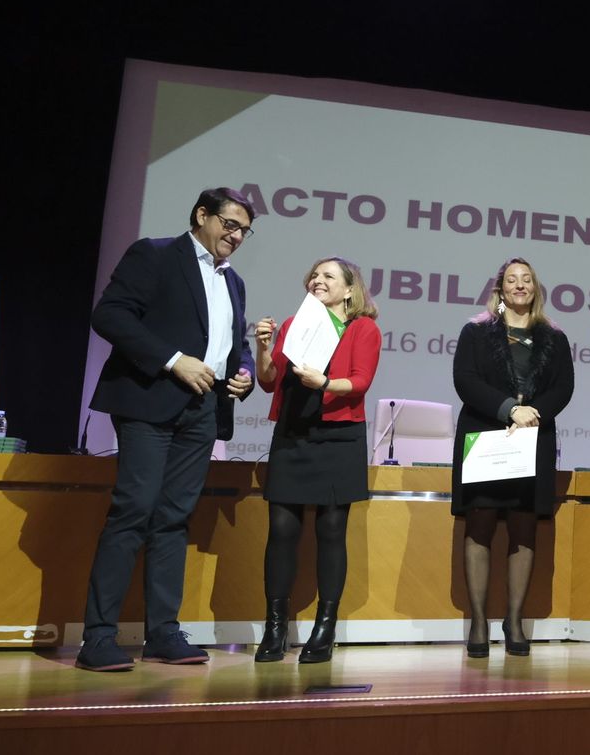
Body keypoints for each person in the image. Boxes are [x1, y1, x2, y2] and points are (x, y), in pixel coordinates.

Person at [78, 187, 256, 672]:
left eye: (244, 230)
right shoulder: (156, 254)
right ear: (202, 215)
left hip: (203, 410)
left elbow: (233, 342)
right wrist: (174, 361)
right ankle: (97, 638)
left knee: (174, 518)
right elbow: (109, 315)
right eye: (230, 224)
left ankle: (162, 634)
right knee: (133, 509)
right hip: (149, 401)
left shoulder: (233, 281)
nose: (236, 236)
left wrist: (245, 372)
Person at [252, 256, 382, 663]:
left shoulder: (363, 328)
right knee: (282, 530)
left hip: (338, 435)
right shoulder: (293, 324)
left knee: (331, 530)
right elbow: (269, 379)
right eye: (314, 274)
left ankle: (325, 628)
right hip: (293, 431)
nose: (317, 279)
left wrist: (325, 382)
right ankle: (275, 627)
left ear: (349, 290)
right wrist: (261, 348)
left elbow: (360, 381)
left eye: (328, 276)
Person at [451, 258, 575, 657]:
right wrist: (509, 409)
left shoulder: (554, 337)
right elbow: (466, 382)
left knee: (524, 529)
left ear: (535, 288)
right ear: (500, 289)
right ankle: (479, 621)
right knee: (480, 524)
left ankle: (515, 620)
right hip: (486, 436)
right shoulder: (476, 331)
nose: (519, 286)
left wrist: (533, 412)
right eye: (511, 280)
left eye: (526, 280)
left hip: (534, 441)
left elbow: (563, 388)